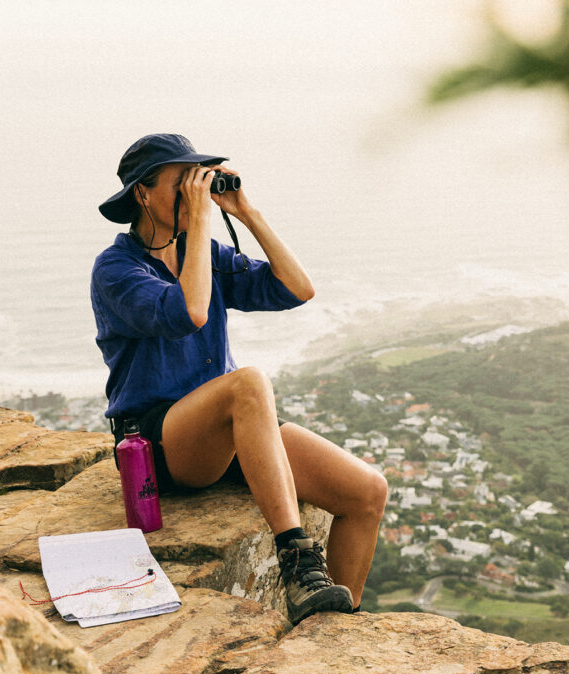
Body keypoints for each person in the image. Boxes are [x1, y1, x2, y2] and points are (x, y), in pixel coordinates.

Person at [91, 134, 388, 625]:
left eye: (199, 182)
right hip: (160, 442)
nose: (195, 193)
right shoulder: (116, 268)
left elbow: (297, 288)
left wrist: (246, 212)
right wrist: (202, 217)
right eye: (182, 184)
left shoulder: (200, 250)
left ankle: (336, 628)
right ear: (142, 193)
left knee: (366, 492)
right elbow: (189, 311)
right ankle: (297, 561)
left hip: (227, 430)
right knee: (248, 383)